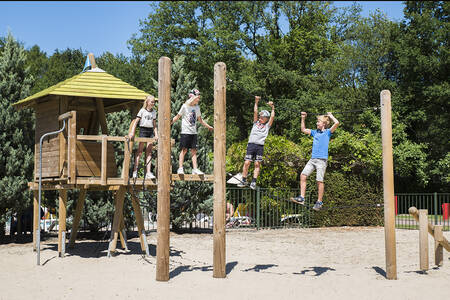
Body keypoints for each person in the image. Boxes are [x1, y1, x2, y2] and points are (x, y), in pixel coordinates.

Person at [291, 111, 340, 210]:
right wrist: (303, 118)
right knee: (303, 175)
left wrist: (331, 116)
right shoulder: (314, 132)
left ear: (324, 124)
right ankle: (301, 197)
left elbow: (337, 123)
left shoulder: (328, 132)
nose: (317, 123)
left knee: (319, 180)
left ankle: (319, 202)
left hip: (322, 160)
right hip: (313, 159)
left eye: (318, 122)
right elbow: (303, 129)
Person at [236, 96, 275, 190]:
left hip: (260, 146)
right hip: (251, 145)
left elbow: (273, 116)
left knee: (257, 164)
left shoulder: (267, 126)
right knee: (247, 162)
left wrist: (273, 107)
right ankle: (244, 179)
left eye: (262, 117)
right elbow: (255, 112)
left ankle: (253, 181)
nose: (260, 118)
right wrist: (256, 102)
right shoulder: (255, 123)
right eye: (260, 116)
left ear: (266, 118)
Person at [171, 89, 213, 174]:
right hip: (185, 131)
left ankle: (195, 169)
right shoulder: (184, 106)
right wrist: (169, 123)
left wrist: (209, 127)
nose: (198, 99)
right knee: (184, 150)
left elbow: (200, 120)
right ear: (192, 98)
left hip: (193, 132)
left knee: (194, 151)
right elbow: (177, 117)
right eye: (198, 98)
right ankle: (180, 168)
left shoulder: (197, 107)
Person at [128, 95, 158, 179]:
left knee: (149, 152)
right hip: (143, 130)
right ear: (147, 102)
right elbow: (136, 122)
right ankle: (135, 171)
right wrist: (132, 132)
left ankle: (148, 172)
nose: (153, 103)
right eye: (151, 102)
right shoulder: (142, 111)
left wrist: (156, 134)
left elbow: (154, 125)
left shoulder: (154, 112)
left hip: (150, 131)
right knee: (140, 151)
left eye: (154, 102)